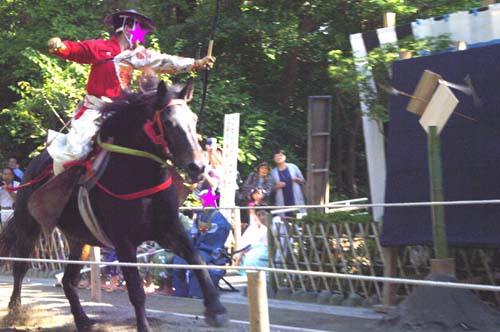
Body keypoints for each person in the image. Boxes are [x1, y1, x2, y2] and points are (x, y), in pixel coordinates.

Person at [46, 9, 215, 176]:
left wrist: (196, 62)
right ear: (127, 28)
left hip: (120, 110)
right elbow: (78, 50)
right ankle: (61, 189)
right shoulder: (99, 47)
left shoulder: (137, 55)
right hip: (94, 110)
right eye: (139, 28)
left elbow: (163, 60)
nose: (142, 34)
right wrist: (61, 47)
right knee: (75, 150)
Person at [170, 206, 231, 298]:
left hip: (210, 251)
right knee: (176, 262)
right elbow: (192, 234)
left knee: (196, 263)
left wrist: (194, 247)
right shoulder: (201, 216)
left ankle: (195, 295)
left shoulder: (220, 222)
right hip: (196, 249)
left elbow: (213, 242)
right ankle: (180, 294)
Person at [271, 149, 306, 217]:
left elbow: (303, 181)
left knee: (299, 218)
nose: (279, 157)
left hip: (295, 198)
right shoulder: (273, 172)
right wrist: (277, 186)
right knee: (284, 220)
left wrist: (298, 180)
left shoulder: (293, 167)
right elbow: (271, 189)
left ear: (285, 157)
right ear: (274, 159)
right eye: (276, 156)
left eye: (281, 155)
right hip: (282, 201)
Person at [233, 210, 269, 276]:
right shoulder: (253, 228)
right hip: (249, 253)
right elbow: (246, 243)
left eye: (263, 215)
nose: (262, 217)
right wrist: (239, 255)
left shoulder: (271, 226)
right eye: (259, 215)